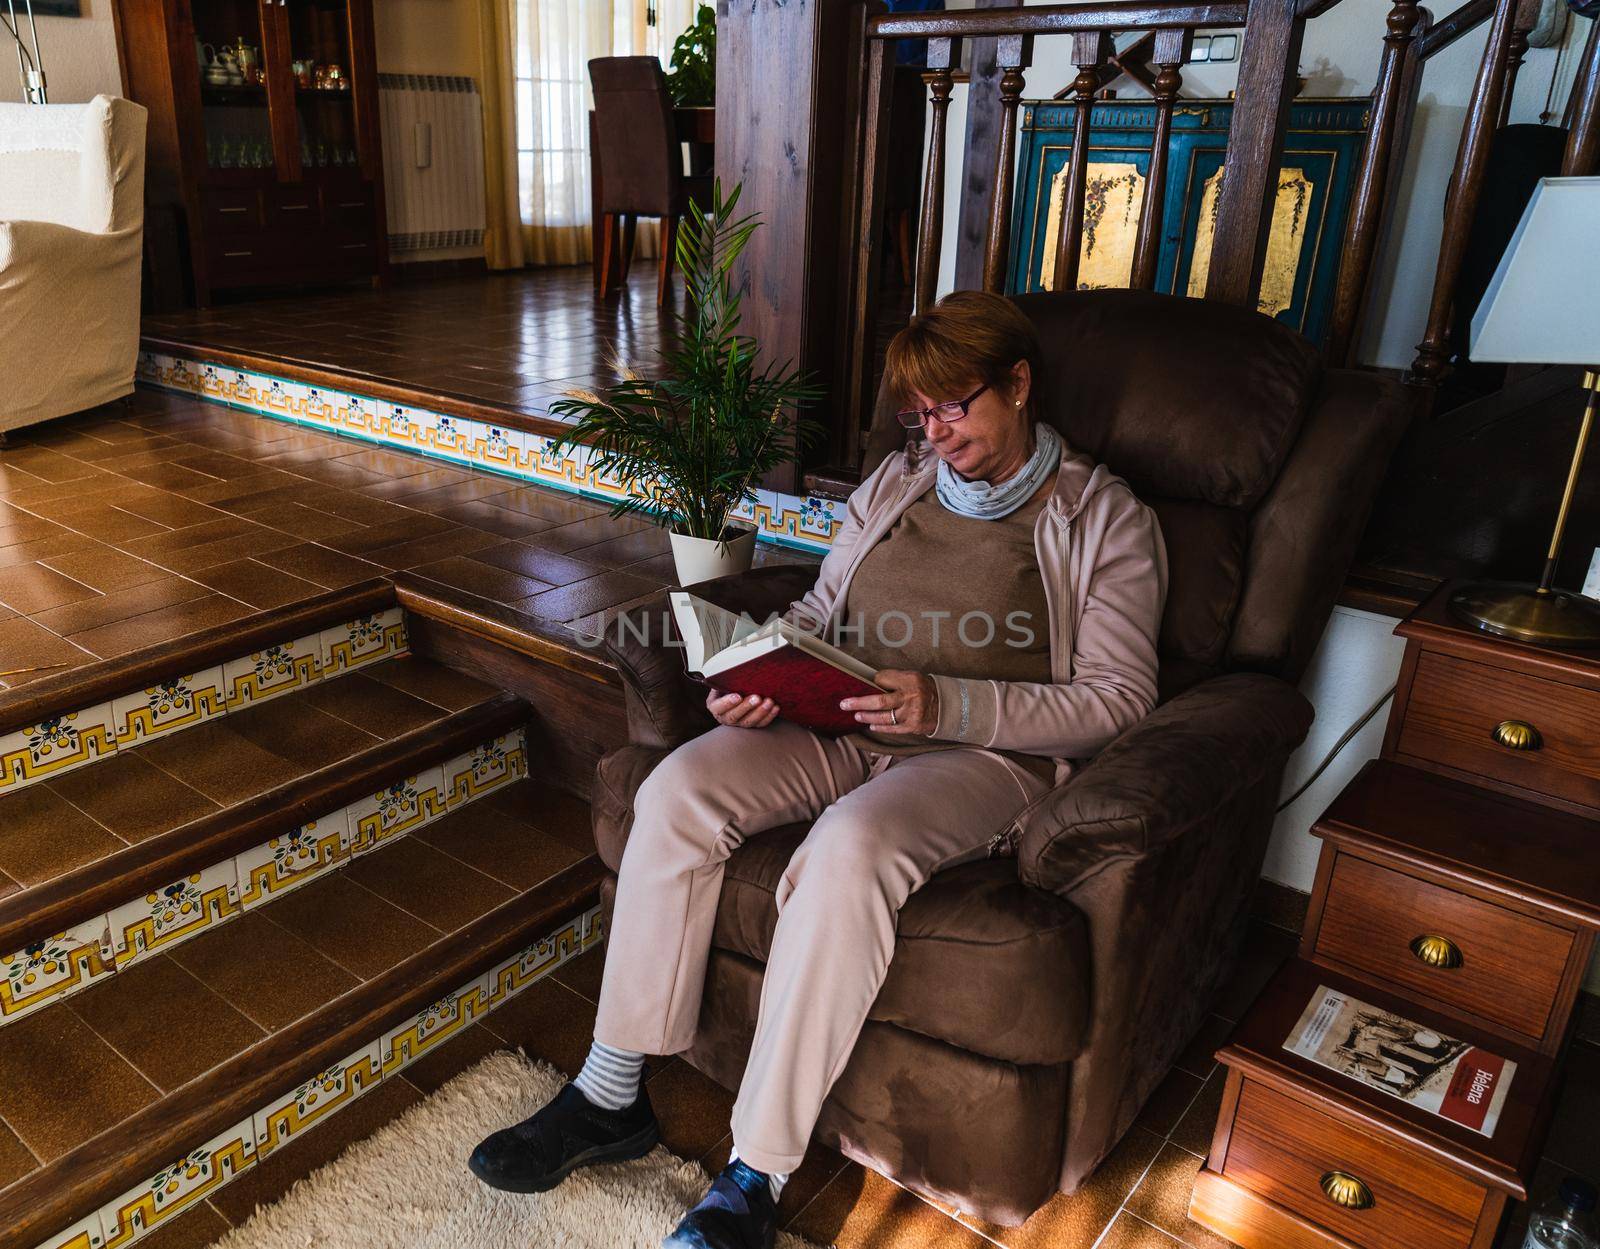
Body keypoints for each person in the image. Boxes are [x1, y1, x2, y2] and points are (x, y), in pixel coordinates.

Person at [468, 290, 1169, 1249]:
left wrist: (948, 703)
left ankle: (755, 1174)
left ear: (1019, 383)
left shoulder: (1105, 516)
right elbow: (822, 606)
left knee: (848, 850)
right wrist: (756, 675)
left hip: (986, 754)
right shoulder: (897, 483)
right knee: (676, 790)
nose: (935, 433)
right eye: (919, 414)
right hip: (840, 721)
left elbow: (1121, 699)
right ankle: (608, 1093)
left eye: (955, 406)